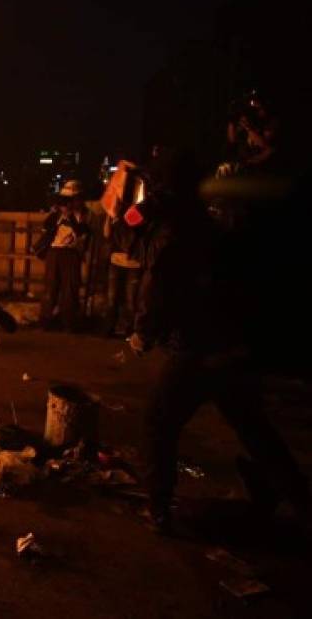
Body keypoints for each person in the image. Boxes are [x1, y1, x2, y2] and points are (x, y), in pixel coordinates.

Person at [127, 148, 310, 533]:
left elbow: (157, 288)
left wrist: (143, 334)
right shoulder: (213, 223)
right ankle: (302, 503)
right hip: (232, 345)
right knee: (254, 428)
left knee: (158, 424)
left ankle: (159, 511)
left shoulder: (176, 230)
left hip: (196, 347)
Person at [33, 180, 90, 331]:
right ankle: (46, 321)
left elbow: (81, 232)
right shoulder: (56, 213)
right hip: (54, 252)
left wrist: (69, 216)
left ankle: (68, 323)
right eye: (66, 200)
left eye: (72, 199)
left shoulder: (84, 214)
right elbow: (46, 227)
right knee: (51, 288)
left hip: (71, 253)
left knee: (70, 290)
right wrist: (58, 213)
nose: (69, 203)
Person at [100, 161, 145, 337]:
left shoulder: (136, 212)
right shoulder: (118, 211)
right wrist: (109, 216)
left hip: (131, 260)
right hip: (120, 259)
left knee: (128, 300)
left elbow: (107, 234)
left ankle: (124, 330)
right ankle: (116, 329)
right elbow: (107, 233)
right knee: (120, 299)